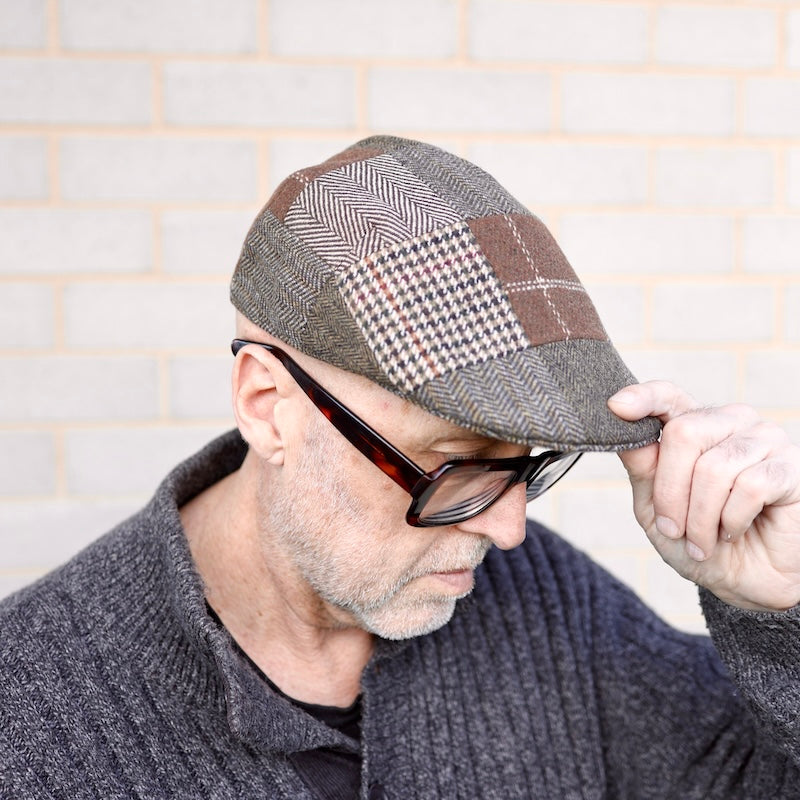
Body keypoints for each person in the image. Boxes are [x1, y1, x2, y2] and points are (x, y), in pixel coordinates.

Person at [1, 136, 799, 800]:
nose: (511, 531)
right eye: (453, 466)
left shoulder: (547, 604)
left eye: (525, 465)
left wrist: (777, 612)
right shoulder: (30, 711)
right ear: (267, 405)